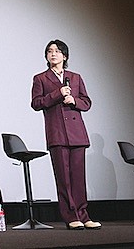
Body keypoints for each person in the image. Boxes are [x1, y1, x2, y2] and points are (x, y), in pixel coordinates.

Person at [31, 39, 101, 230]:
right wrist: (58, 93)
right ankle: (71, 216)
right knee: (64, 179)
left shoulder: (75, 77)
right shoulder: (40, 78)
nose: (53, 54)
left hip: (77, 134)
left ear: (65, 56)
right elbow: (36, 103)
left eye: (57, 51)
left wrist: (74, 101)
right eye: (49, 51)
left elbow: (86, 102)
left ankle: (84, 215)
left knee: (79, 179)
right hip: (57, 134)